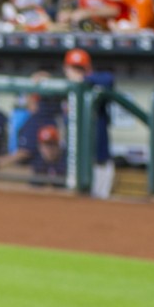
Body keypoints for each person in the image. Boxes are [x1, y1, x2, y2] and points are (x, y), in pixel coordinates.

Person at [63, 47, 116, 198]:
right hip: (75, 163)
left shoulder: (95, 86)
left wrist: (84, 79)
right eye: (73, 68)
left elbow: (109, 79)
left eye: (80, 68)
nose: (76, 72)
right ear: (65, 68)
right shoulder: (64, 89)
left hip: (99, 163)